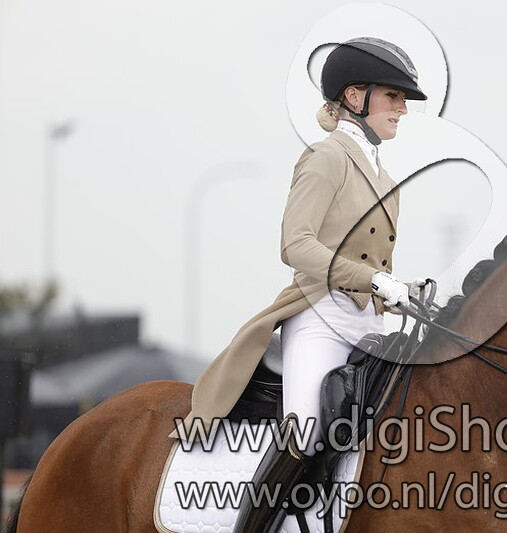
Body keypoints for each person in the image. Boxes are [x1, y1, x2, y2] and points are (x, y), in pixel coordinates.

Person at [170, 37, 427, 533]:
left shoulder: (386, 177)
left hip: (367, 324)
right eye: (393, 96)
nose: (402, 109)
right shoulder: (326, 157)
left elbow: (368, 260)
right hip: (319, 318)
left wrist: (400, 289)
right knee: (306, 430)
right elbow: (296, 244)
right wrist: (373, 278)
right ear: (355, 96)